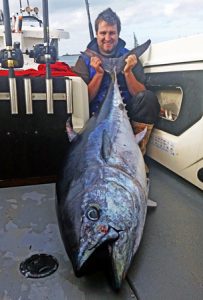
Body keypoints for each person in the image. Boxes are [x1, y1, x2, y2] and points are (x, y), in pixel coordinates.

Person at [73, 8, 160, 161]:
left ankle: (137, 155)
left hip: (128, 117)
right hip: (95, 117)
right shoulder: (84, 60)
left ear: (118, 34)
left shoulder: (130, 57)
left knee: (148, 98)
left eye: (112, 33)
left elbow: (141, 94)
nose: (107, 37)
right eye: (103, 33)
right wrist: (99, 74)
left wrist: (127, 72)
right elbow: (82, 100)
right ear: (97, 34)